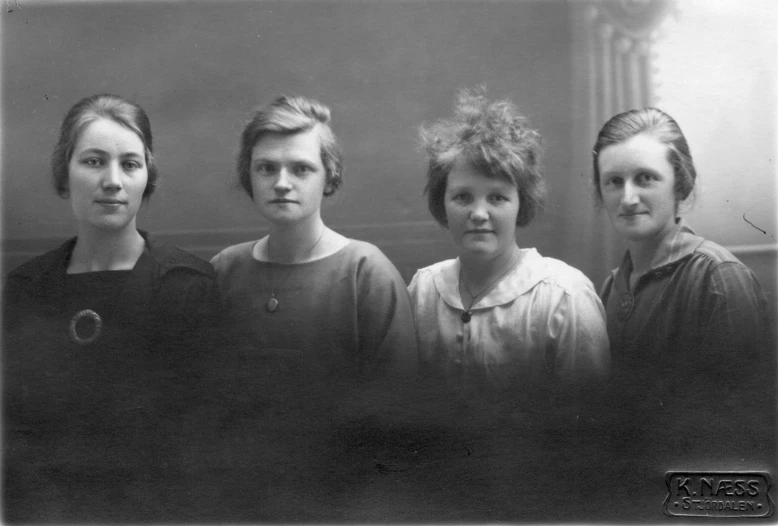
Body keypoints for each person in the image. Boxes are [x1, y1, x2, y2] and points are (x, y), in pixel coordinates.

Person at [2, 94, 222, 522]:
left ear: (147, 177)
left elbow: (205, 446)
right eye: (94, 161)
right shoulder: (26, 288)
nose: (113, 181)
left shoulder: (186, 286)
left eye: (130, 164)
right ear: (64, 174)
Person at [592, 108, 775, 472]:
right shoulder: (611, 287)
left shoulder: (718, 278)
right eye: (613, 181)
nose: (627, 197)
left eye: (645, 178)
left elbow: (744, 434)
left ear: (680, 184)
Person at [409, 89, 610, 402]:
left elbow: (589, 421)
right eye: (462, 197)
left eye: (497, 197)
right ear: (442, 203)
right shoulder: (423, 290)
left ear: (521, 203)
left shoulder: (563, 297)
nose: (478, 214)